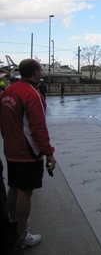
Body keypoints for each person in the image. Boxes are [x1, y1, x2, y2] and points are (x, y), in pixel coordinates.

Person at [0, 59, 56, 249]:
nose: (42, 72)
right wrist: (49, 152)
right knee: (26, 191)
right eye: (41, 70)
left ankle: (12, 225)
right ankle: (22, 234)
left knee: (14, 186)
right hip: (28, 152)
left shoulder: (8, 92)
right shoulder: (33, 94)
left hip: (11, 149)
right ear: (35, 73)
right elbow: (38, 127)